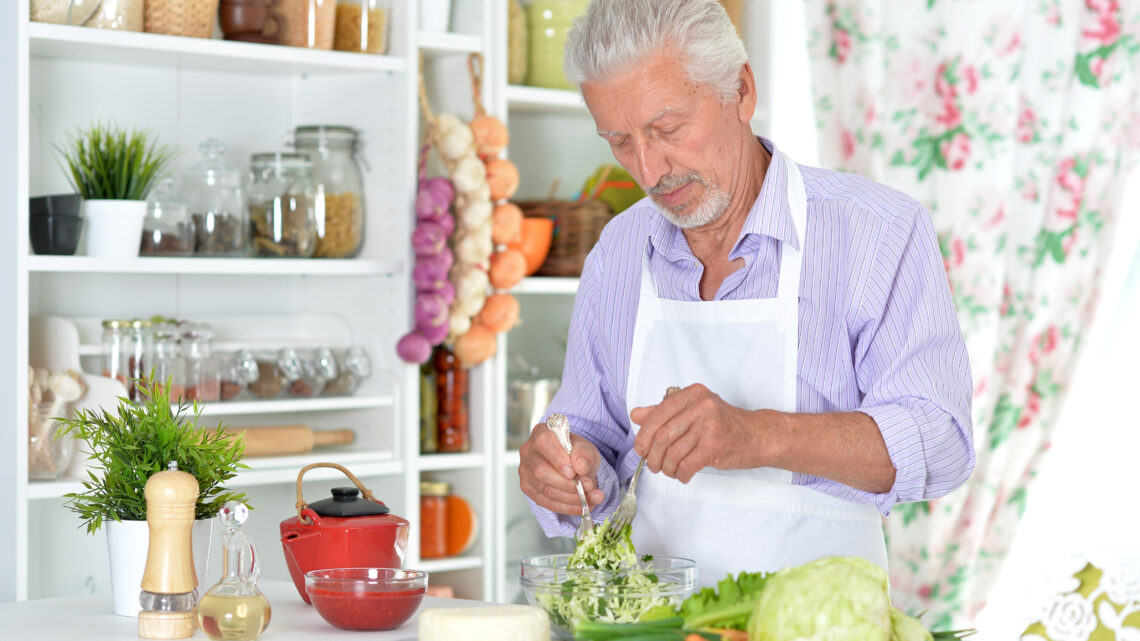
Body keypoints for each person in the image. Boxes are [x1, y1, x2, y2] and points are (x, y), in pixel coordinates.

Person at [518, 0, 975, 583]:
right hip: (653, 622)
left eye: (668, 129)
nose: (649, 169)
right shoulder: (619, 249)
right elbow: (589, 439)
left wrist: (760, 435)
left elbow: (940, 442)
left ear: (741, 90)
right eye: (620, 141)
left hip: (820, 623)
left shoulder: (878, 232)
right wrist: (560, 471)